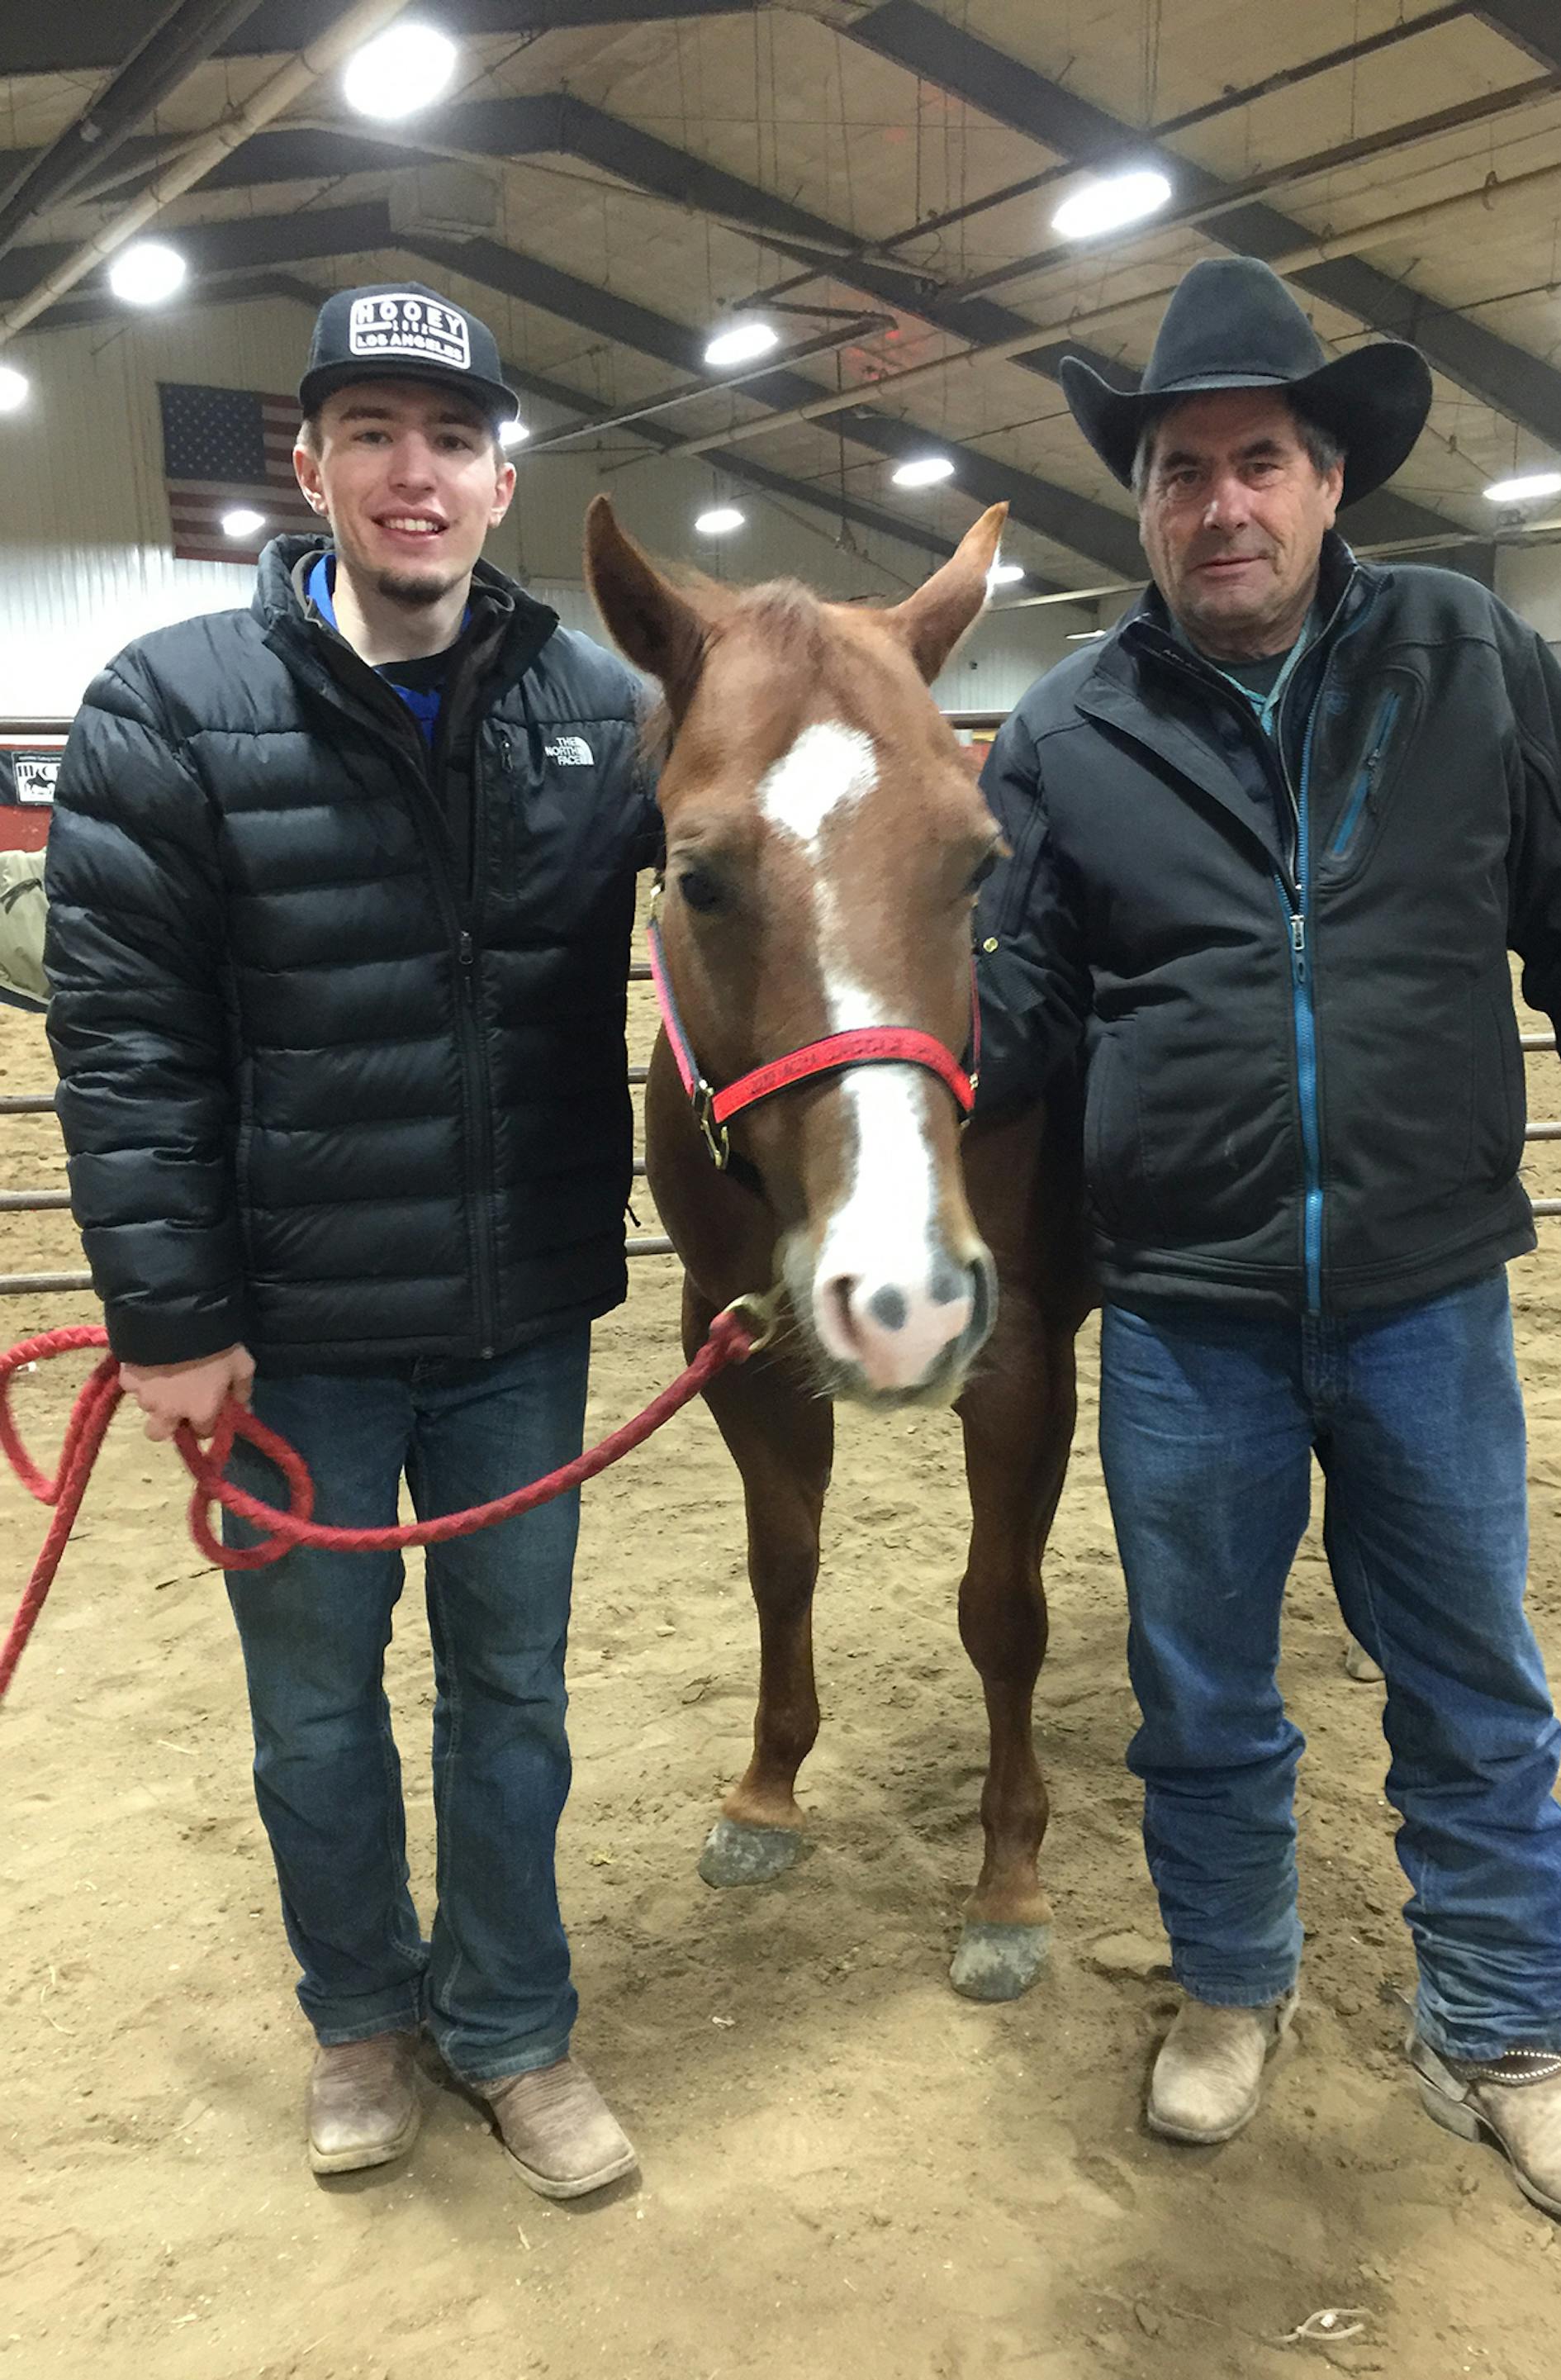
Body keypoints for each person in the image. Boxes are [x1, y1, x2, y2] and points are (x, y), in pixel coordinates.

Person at [974, 257, 1561, 2225]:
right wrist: (862, 1075)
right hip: (1190, 1308)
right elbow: (1014, 1011)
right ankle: (1232, 1986)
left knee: (1471, 1675)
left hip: (1422, 1292)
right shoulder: (1064, 731)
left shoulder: (1469, 658)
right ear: (1137, 502)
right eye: (1181, 469)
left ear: (1327, 481)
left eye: (1258, 461)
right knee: (1203, 1690)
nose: (1222, 502)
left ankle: (1502, 2039)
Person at [45, 284, 658, 2199]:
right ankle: (359, 2016)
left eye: (454, 439)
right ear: (306, 468)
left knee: (518, 1696)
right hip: (284, 1330)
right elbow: (127, 1037)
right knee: (314, 1709)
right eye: (374, 432)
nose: (418, 473)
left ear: (503, 480)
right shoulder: (169, 705)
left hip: (516, 1319)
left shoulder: (599, 711)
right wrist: (168, 1317)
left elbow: (752, 916)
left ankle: (514, 2026)